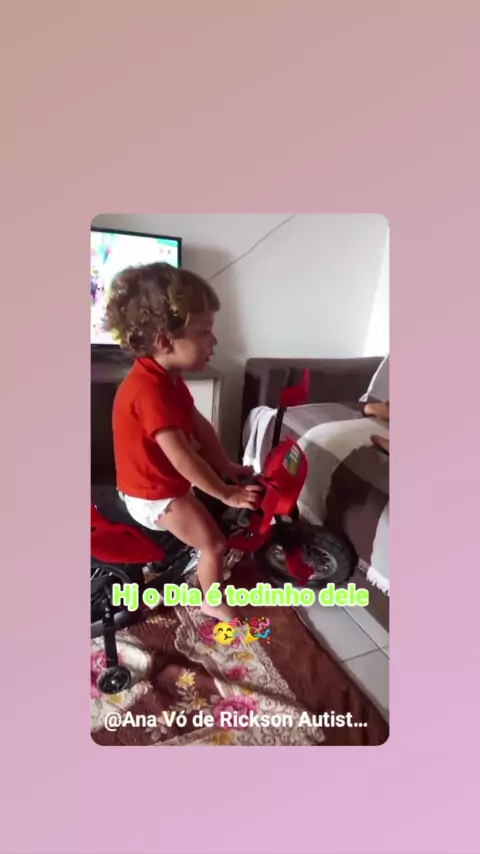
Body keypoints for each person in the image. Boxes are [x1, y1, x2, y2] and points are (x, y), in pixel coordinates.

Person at [104, 261, 262, 622]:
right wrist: (226, 493)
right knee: (215, 543)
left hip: (163, 482)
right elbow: (182, 459)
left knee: (206, 505)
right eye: (205, 332)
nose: (214, 341)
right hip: (153, 495)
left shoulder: (166, 378)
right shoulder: (150, 391)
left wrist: (226, 466)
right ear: (164, 341)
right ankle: (210, 600)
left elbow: (199, 426)